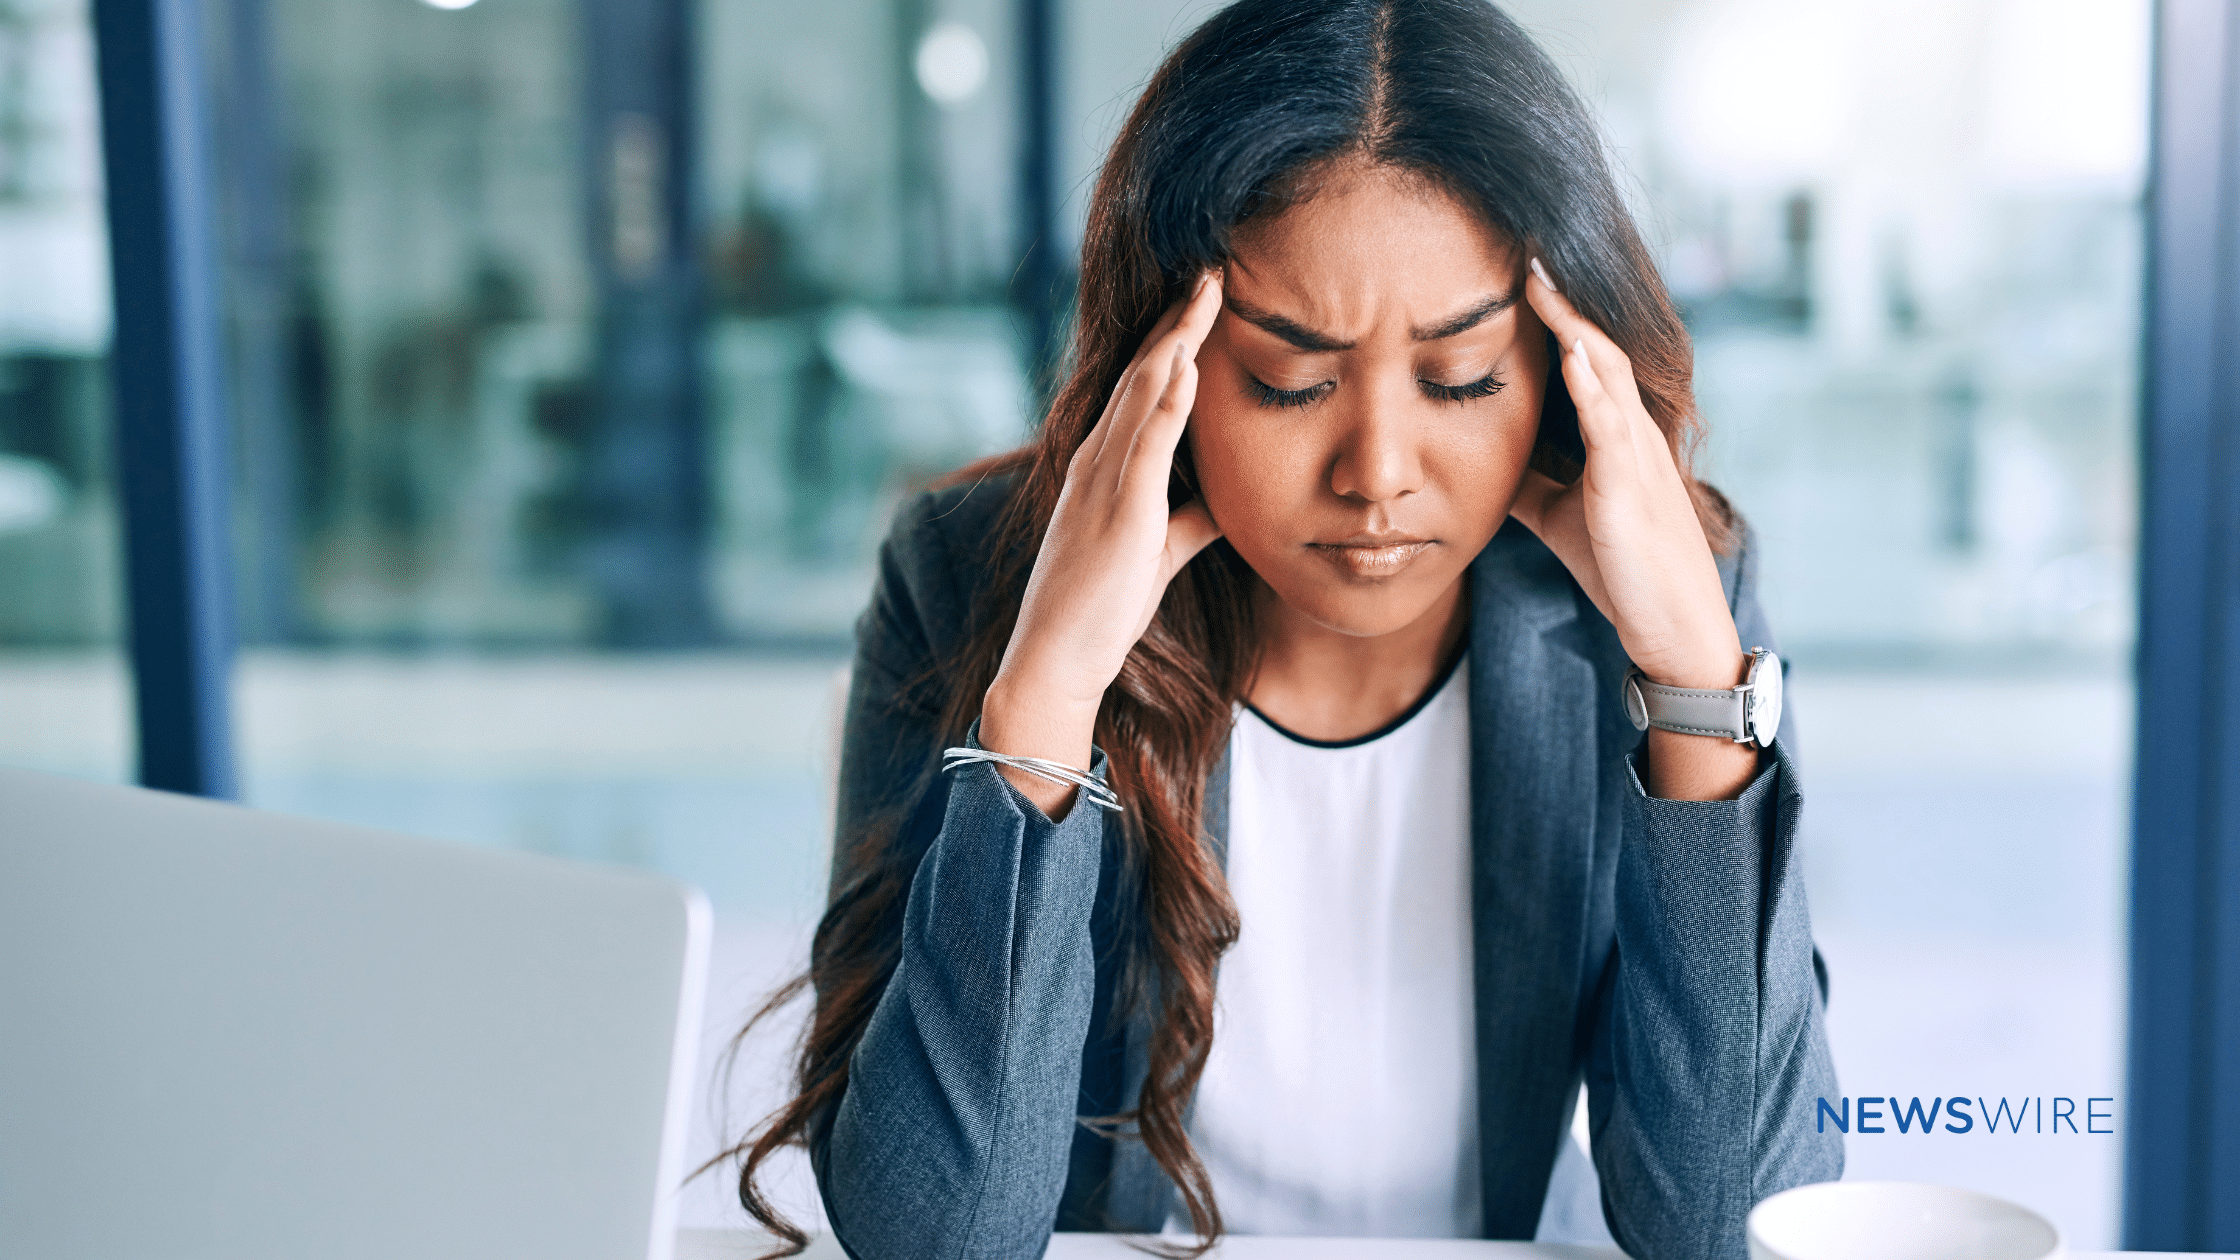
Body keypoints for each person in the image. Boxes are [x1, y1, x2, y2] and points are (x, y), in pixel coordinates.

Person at [714, 1, 1842, 1255]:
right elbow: (938, 1236)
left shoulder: (1654, 606)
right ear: (1165, 364)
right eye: (1288, 380)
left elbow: (1735, 1224)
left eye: (1460, 378)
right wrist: (1047, 693)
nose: (1376, 473)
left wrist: (1692, 682)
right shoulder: (965, 573)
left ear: (1563, 367)